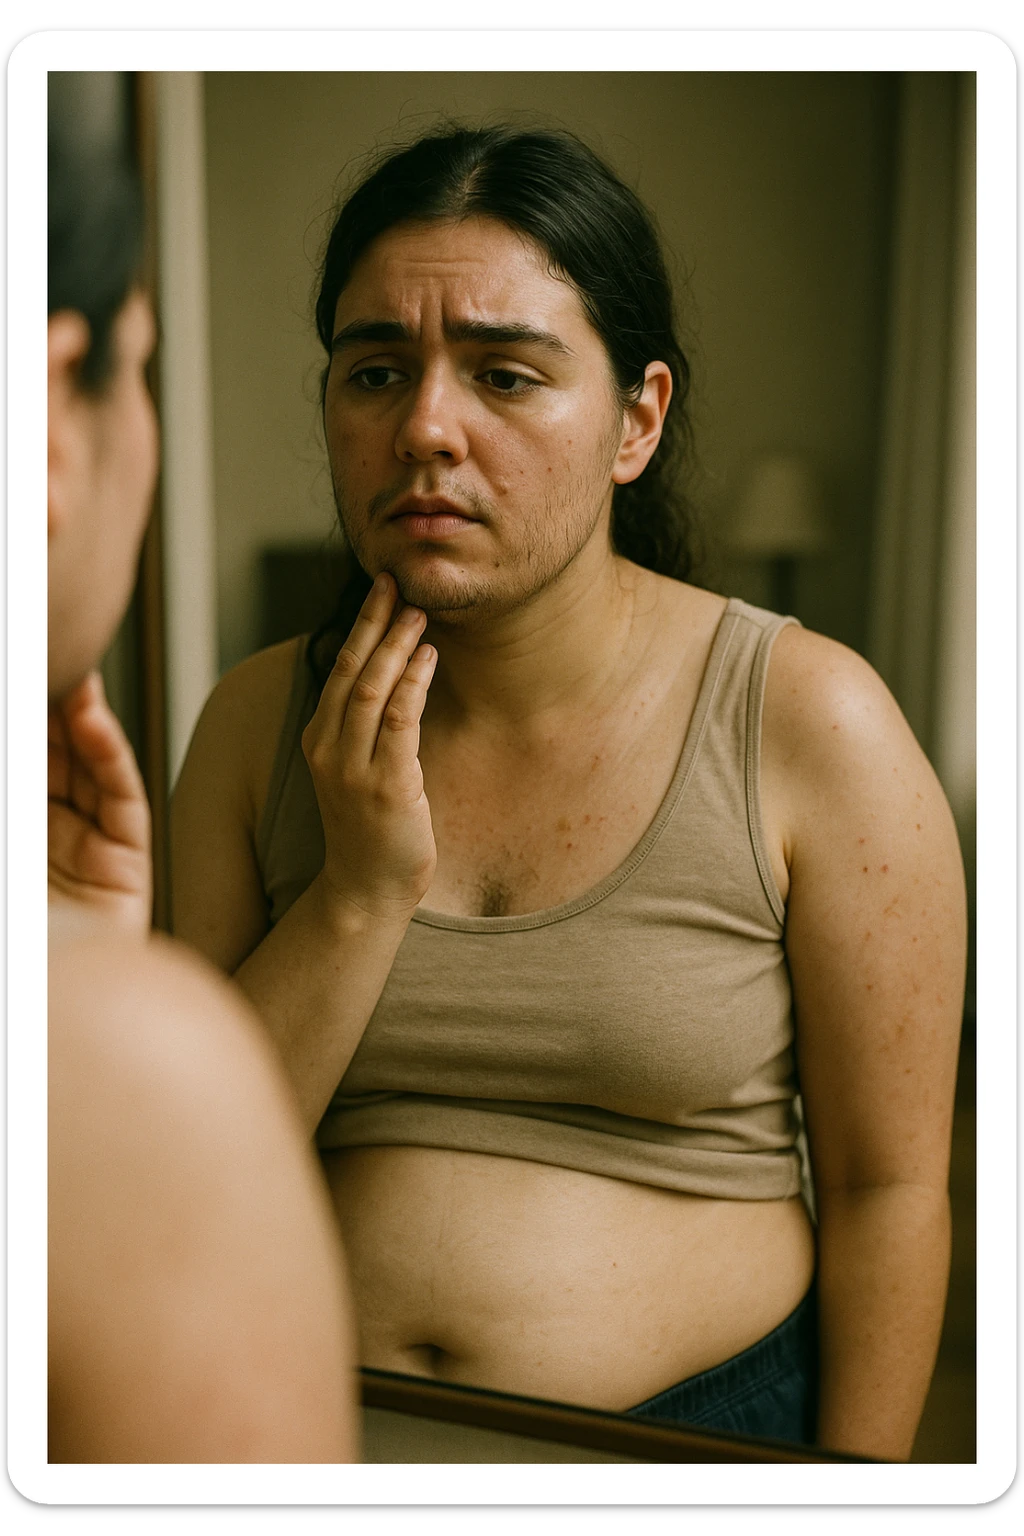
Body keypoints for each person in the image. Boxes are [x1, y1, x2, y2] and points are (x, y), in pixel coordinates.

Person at [170, 124, 967, 1461]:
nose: (426, 426)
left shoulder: (811, 719)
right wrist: (359, 892)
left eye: (504, 374)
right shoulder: (255, 724)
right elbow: (189, 1175)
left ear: (636, 420)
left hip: (692, 1439)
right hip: (310, 1425)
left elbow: (892, 1192)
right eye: (376, 371)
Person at [46, 73, 358, 1464]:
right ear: (55, 412)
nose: (428, 432)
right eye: (372, 371)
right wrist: (86, 1019)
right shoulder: (119, 1066)